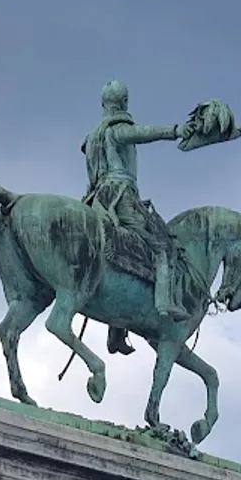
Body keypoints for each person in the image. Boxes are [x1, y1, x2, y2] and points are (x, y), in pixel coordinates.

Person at [81, 80, 190, 354]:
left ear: (103, 104)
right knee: (163, 246)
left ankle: (116, 333)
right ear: (125, 103)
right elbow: (144, 133)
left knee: (121, 256)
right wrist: (176, 130)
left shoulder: (92, 136)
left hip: (96, 199)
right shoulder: (116, 130)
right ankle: (166, 304)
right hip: (121, 196)